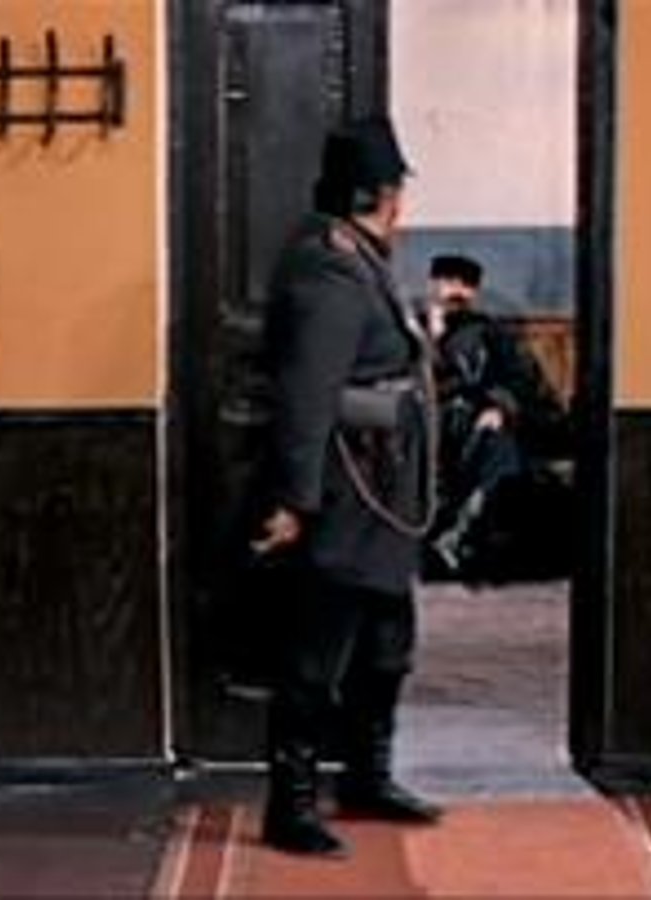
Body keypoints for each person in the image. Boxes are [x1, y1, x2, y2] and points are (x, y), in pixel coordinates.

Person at [252, 115, 442, 857]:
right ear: (386, 196)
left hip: (383, 494)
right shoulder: (330, 268)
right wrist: (296, 501)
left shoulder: (360, 256)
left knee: (387, 644)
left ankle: (367, 777)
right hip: (347, 492)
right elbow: (308, 396)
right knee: (316, 655)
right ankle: (292, 805)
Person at [424, 253, 570, 578]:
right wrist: (433, 340)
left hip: (477, 423)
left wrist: (500, 407)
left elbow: (521, 380)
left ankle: (461, 537)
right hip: (426, 423)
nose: (455, 290)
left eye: (464, 284)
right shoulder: (413, 330)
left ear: (474, 292)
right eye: (447, 281)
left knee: (498, 447)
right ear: (433, 285)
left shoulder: (491, 332)